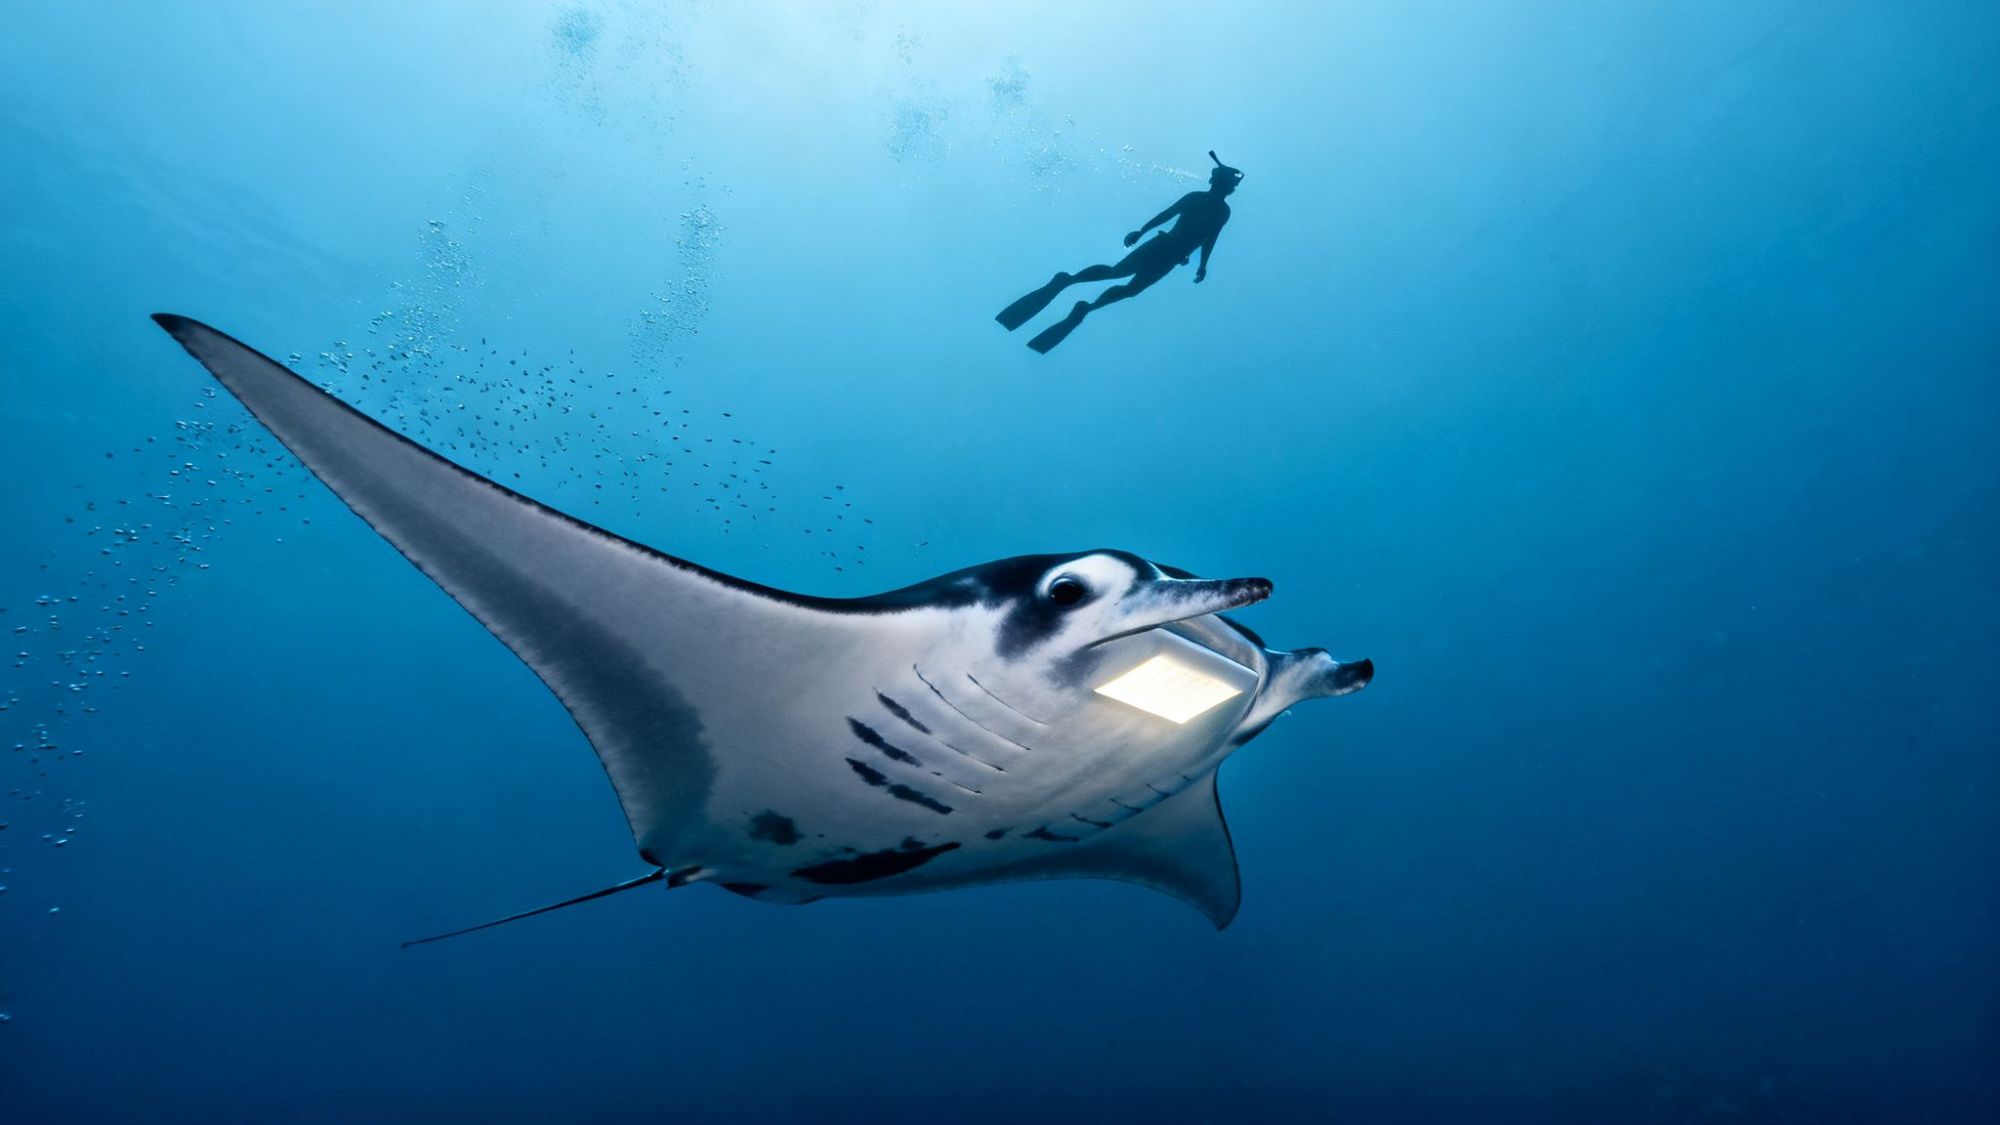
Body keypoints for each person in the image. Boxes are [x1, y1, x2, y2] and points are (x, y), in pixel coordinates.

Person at [997, 151, 1243, 353]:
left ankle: (1086, 308)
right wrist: (1142, 231)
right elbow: (1167, 215)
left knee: (1132, 290)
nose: (1229, 189)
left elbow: (1210, 238)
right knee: (1117, 272)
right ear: (1220, 183)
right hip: (1161, 247)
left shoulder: (1223, 212)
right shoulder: (1197, 199)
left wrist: (1203, 264)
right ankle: (1067, 280)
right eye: (1229, 184)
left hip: (1170, 258)